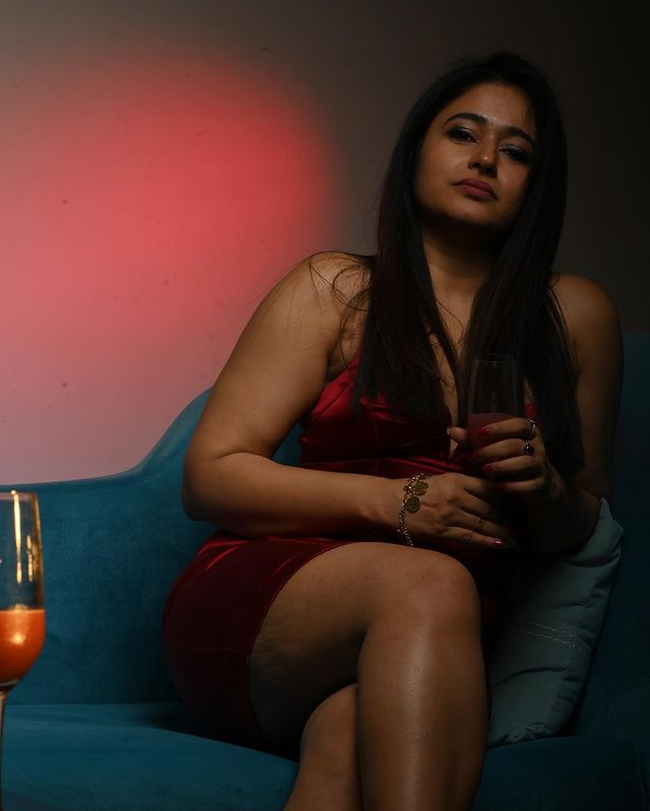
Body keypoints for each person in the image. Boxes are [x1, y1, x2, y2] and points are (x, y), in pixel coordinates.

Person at [162, 50, 622, 811]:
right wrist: (403, 503)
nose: (485, 159)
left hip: (429, 641)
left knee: (349, 736)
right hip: (274, 601)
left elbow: (584, 522)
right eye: (463, 133)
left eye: (516, 151)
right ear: (416, 151)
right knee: (431, 581)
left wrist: (544, 487)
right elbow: (208, 476)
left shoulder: (576, 315)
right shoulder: (335, 288)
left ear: (538, 185)